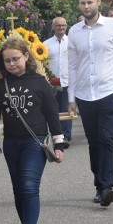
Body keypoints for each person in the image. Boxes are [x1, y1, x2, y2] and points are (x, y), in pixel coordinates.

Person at [0, 38, 64, 224]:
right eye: (7, 61)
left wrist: (59, 144)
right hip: (11, 143)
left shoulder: (40, 83)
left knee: (29, 186)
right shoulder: (1, 86)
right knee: (19, 189)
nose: (11, 64)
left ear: (26, 57)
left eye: (16, 59)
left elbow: (52, 114)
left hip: (35, 141)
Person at [67, 0, 113, 206]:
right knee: (94, 141)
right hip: (85, 95)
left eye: (90, 2)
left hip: (109, 91)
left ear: (98, 2)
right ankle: (99, 184)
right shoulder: (74, 31)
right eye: (82, 3)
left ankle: (107, 187)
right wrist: (71, 98)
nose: (86, 7)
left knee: (107, 139)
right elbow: (71, 66)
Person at [43, 17, 72, 146]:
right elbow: (43, 62)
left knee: (67, 108)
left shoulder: (71, 42)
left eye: (63, 26)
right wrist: (49, 75)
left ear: (66, 27)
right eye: (58, 25)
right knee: (53, 109)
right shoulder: (46, 44)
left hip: (68, 81)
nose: (61, 28)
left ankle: (66, 135)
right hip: (52, 82)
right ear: (53, 27)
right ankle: (57, 135)